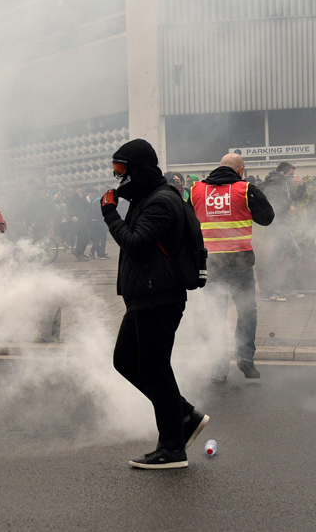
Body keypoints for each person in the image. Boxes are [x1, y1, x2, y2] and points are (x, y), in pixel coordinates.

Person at [100, 138, 209, 470]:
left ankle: (172, 447)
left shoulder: (160, 202)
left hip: (158, 297)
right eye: (116, 171)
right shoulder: (148, 197)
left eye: (123, 171)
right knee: (125, 361)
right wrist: (122, 201)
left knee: (155, 370)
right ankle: (185, 416)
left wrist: (109, 214)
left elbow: (135, 242)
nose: (119, 178)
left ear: (140, 170)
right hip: (145, 296)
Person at [191, 153, 274, 380]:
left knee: (214, 315)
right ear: (241, 170)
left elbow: (185, 223)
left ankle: (218, 368)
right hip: (239, 262)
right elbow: (267, 218)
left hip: (209, 264)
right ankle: (245, 357)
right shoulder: (245, 189)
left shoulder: (196, 190)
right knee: (246, 311)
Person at [259, 162, 308, 300]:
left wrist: (301, 187)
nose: (292, 177)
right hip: (277, 226)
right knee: (277, 258)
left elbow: (292, 197)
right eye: (291, 175)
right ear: (284, 172)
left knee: (294, 255)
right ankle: (267, 293)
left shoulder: (282, 183)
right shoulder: (277, 179)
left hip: (283, 226)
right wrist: (287, 208)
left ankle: (286, 288)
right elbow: (271, 198)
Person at [69, 186, 91, 261]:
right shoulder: (72, 197)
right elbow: (69, 209)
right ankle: (79, 254)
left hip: (83, 219)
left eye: (81, 190)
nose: (80, 191)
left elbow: (87, 205)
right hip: (77, 220)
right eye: (78, 189)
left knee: (86, 237)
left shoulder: (83, 197)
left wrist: (83, 198)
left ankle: (79, 252)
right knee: (81, 237)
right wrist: (72, 216)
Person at [89, 187, 110, 259]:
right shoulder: (100, 199)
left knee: (98, 237)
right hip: (99, 221)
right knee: (102, 237)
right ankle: (99, 253)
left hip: (94, 221)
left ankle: (98, 252)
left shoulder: (95, 199)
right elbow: (100, 212)